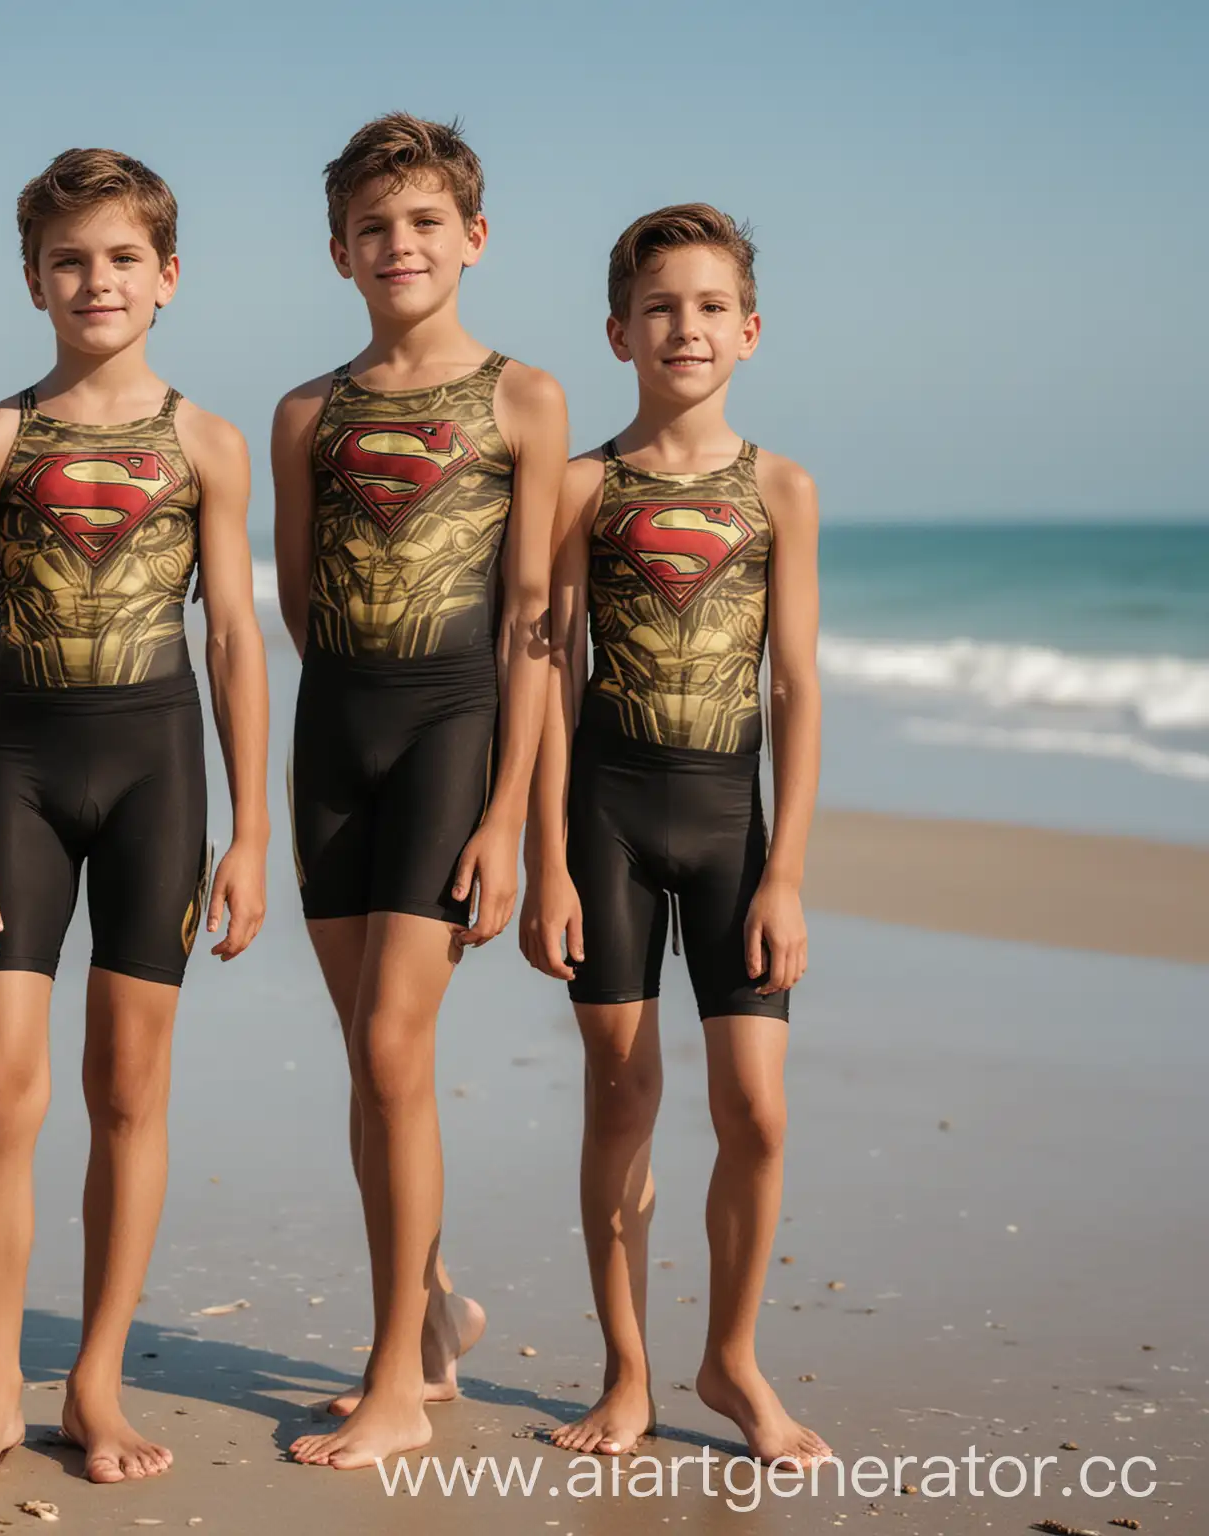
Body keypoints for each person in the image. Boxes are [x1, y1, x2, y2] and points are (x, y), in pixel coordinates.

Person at [0, 148, 269, 1494]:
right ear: (33, 282)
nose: (96, 281)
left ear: (167, 278)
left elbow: (235, 638)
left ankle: (97, 1379)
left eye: (122, 258)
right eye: (71, 261)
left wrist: (251, 833)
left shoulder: (207, 443)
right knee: (0, 1091)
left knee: (129, 1090)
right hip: (18, 777)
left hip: (159, 779)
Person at [272, 113, 567, 1470]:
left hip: (456, 730)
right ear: (341, 251)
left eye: (426, 223)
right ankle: (436, 1313)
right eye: (376, 228)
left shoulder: (525, 399)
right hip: (335, 740)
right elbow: (297, 597)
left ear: (474, 239)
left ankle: (398, 1376)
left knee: (395, 1050)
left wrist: (509, 816)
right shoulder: (307, 413)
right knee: (373, 1063)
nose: (402, 245)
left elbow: (534, 625)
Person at [520, 204, 830, 1467]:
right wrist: (545, 856)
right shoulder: (585, 487)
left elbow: (797, 686)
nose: (683, 328)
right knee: (623, 1097)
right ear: (617, 333)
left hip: (730, 824)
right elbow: (548, 668)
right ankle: (629, 1370)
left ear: (749, 332)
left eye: (708, 307)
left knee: (756, 1111)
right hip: (604, 817)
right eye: (659, 308)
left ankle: (731, 1359)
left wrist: (789, 872)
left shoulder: (780, 489)